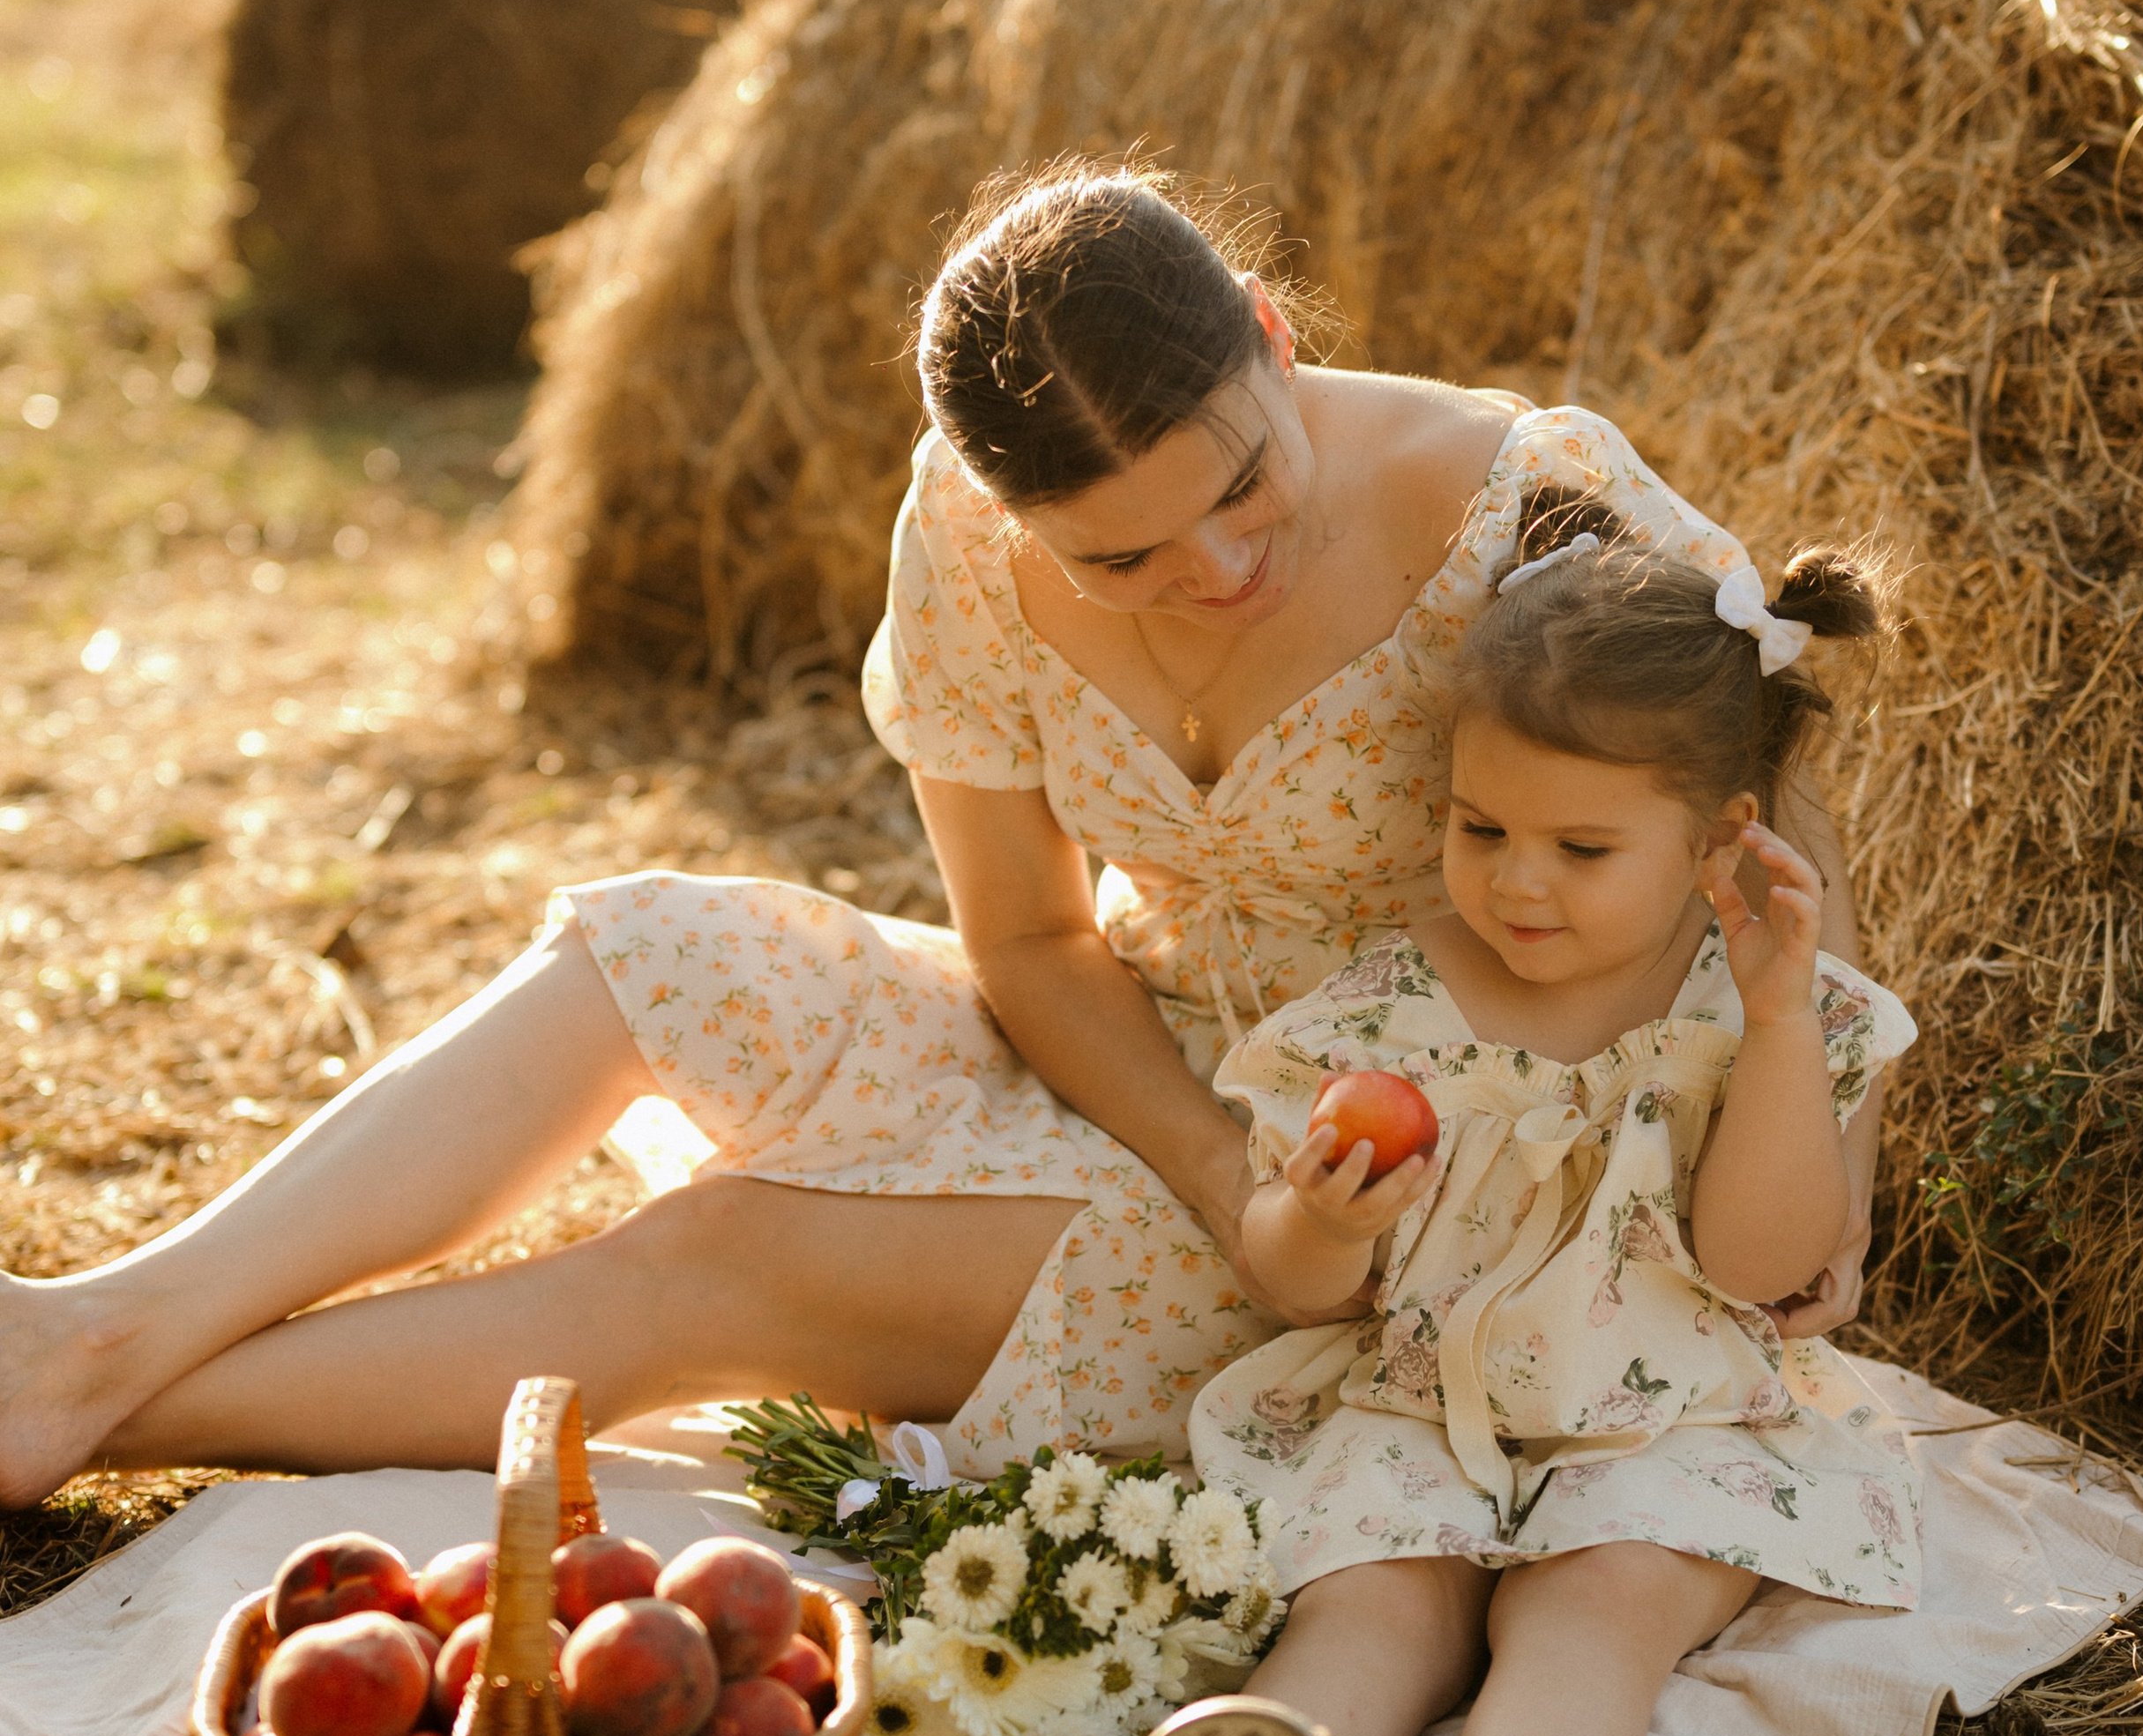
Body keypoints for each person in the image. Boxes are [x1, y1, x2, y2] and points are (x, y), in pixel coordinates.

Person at [0, 168, 1878, 1509]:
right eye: (1124, 557)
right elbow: (1035, 947)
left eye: (1242, 482)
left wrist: (1827, 1165)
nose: (1214, 569)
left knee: (724, 1253)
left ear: (1272, 340)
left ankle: (110, 1416)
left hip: (1390, 1176)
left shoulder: (1523, 502)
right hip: (1136, 1056)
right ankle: (94, 1330)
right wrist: (1201, 1153)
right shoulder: (965, 537)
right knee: (645, 948)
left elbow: (1766, 780)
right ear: (1008, 518)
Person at [1108, 521, 1918, 1736]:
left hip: (1670, 1410)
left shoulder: (1747, 1010)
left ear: (1720, 840)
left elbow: (1757, 1267)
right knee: (1375, 1611)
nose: (1517, 884)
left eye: (1581, 850)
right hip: (1424, 1403)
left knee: (1595, 1614)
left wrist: (1783, 1021)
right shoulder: (1398, 1003)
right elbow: (1292, 1288)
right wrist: (1323, 1219)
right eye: (1483, 832)